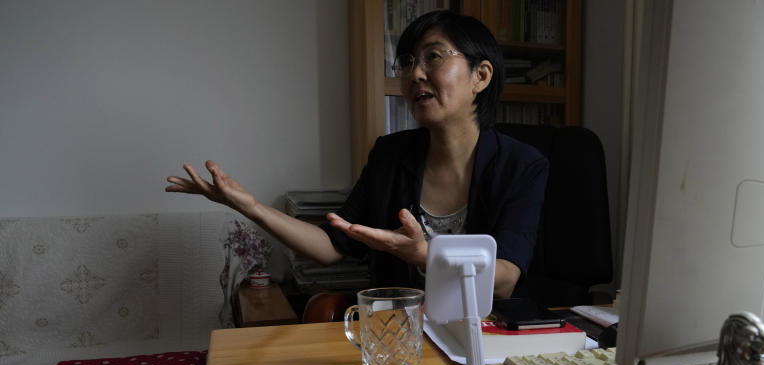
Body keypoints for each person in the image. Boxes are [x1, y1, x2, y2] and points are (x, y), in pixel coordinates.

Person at [166, 10, 547, 299]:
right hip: (401, 333)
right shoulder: (390, 154)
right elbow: (333, 245)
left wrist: (424, 254)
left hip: (490, 337)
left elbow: (506, 277)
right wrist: (250, 206)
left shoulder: (521, 165)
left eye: (433, 57)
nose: (415, 74)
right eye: (408, 62)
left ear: (481, 76)